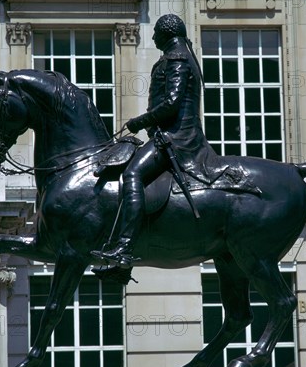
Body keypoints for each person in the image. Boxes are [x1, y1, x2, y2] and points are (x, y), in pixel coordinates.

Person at [92, 14, 216, 268]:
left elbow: (171, 104)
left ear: (167, 33)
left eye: (157, 32)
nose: (153, 37)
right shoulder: (179, 56)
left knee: (133, 174)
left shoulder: (178, 58)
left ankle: (124, 246)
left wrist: (141, 121)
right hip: (170, 136)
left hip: (177, 139)